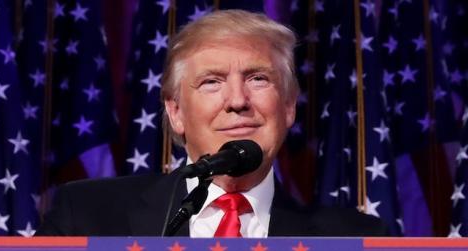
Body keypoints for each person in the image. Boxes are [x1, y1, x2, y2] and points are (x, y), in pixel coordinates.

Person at [36, 10, 388, 237]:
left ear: (288, 107)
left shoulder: (356, 241)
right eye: (211, 82)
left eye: (258, 79)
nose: (237, 101)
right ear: (175, 113)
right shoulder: (85, 218)